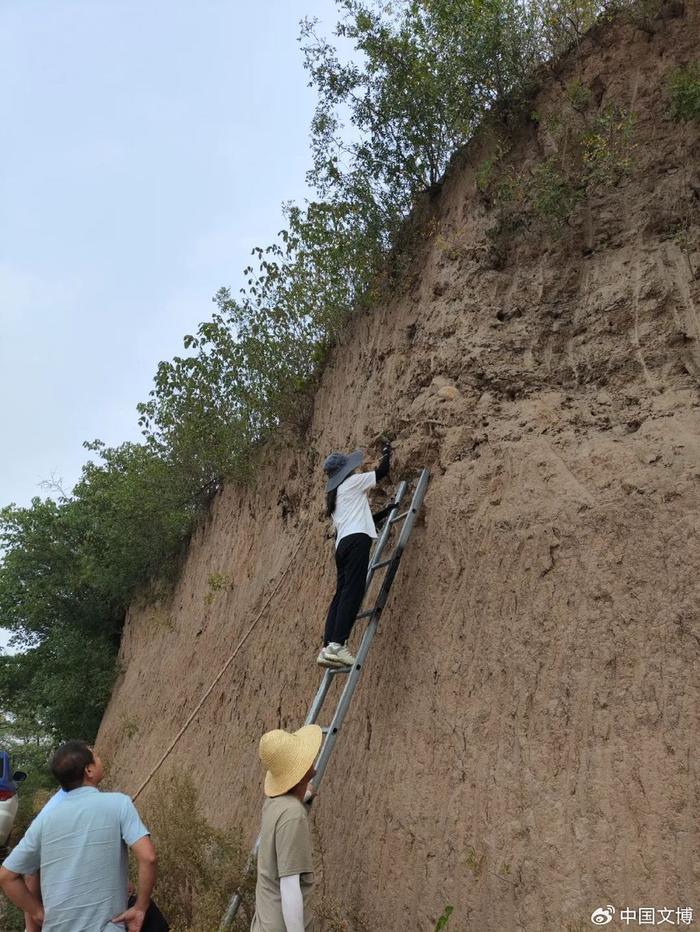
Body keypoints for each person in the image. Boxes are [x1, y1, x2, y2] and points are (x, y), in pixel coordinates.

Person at [0, 740, 157, 932]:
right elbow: (148, 857)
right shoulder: (119, 804)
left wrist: (38, 913)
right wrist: (141, 907)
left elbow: (7, 876)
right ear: (89, 770)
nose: (100, 759)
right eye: (95, 757)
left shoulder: (44, 820)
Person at [317, 442, 394, 668]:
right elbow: (382, 472)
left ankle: (327, 647)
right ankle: (338, 646)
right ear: (345, 471)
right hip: (356, 542)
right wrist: (387, 452)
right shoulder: (352, 482)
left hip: (342, 547)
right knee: (353, 592)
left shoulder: (334, 496)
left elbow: (359, 519)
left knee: (340, 595)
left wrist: (386, 513)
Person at [251, 724, 322, 932]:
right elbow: (290, 886)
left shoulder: (274, 802)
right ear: (298, 774)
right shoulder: (293, 815)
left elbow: (289, 805)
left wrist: (305, 793)